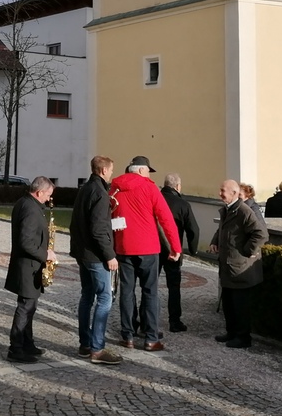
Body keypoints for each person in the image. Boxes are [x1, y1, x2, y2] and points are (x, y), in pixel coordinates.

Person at [109, 156, 180, 351]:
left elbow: (110, 217)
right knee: (150, 292)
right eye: (148, 170)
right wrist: (175, 247)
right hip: (148, 248)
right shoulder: (150, 188)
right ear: (141, 170)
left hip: (123, 246)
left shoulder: (115, 188)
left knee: (127, 291)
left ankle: (128, 335)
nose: (149, 174)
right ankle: (150, 337)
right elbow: (166, 219)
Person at [70, 156, 121, 364]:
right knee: (105, 298)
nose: (111, 174)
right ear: (103, 171)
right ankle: (97, 349)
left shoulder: (85, 188)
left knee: (87, 297)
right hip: (95, 255)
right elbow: (99, 229)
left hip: (83, 252)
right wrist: (109, 255)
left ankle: (85, 343)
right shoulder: (100, 192)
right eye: (110, 171)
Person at [208, 179, 269, 349]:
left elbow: (261, 233)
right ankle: (232, 332)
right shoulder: (228, 210)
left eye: (223, 191)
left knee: (240, 305)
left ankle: (243, 337)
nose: (220, 194)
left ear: (234, 193)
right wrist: (215, 241)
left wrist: (247, 251)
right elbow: (222, 229)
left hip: (239, 267)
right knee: (228, 302)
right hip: (228, 266)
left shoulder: (244, 211)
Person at [4, 177, 57, 363]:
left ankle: (27, 343)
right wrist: (46, 254)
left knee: (30, 306)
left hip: (27, 266)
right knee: (26, 307)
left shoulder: (25, 203)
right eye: (48, 195)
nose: (49, 199)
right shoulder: (31, 209)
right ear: (39, 192)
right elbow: (26, 241)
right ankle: (16, 348)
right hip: (28, 267)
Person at [160, 173, 200, 333]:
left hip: (154, 248)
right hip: (173, 249)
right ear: (177, 187)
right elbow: (193, 229)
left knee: (149, 286)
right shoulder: (182, 204)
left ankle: (144, 320)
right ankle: (174, 321)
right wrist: (192, 249)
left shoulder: (155, 198)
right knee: (174, 287)